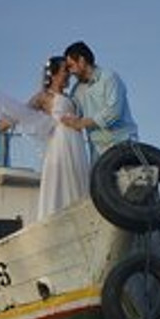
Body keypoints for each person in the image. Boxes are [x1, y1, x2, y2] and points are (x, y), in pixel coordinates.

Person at [29, 56, 91, 219]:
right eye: (65, 70)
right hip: (60, 144)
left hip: (76, 145)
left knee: (77, 182)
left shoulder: (71, 97)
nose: (69, 73)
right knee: (60, 181)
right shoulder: (44, 96)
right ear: (54, 74)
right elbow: (19, 112)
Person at [60, 41, 138, 162]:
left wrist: (82, 123)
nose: (70, 71)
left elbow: (114, 112)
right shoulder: (76, 91)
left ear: (82, 61)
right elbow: (73, 115)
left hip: (122, 142)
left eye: (71, 66)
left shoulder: (109, 77)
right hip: (97, 151)